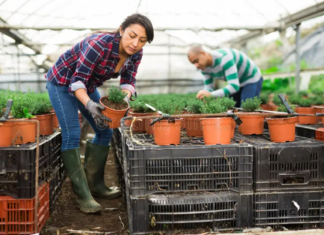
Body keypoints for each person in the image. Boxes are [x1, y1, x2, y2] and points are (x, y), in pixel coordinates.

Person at [45, 13, 154, 213]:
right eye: (131, 35)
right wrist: (89, 105)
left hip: (86, 84)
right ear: (121, 30)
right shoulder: (99, 45)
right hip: (62, 82)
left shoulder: (136, 53)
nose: (135, 43)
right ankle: (82, 194)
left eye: (142, 40)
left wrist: (124, 98)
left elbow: (128, 81)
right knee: (72, 134)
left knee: (105, 129)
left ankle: (96, 185)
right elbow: (77, 81)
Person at [188, 45, 263, 107]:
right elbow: (209, 87)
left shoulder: (224, 58)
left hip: (251, 79)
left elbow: (234, 86)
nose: (196, 65)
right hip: (238, 81)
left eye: (196, 60)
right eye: (193, 63)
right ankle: (236, 125)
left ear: (203, 53)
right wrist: (204, 95)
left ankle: (247, 125)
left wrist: (211, 95)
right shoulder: (203, 67)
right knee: (232, 108)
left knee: (246, 109)